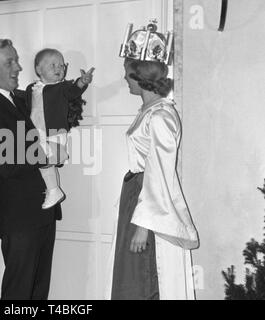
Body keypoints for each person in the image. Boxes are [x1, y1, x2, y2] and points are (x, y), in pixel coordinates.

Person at [110, 23, 199, 300]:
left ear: (140, 77)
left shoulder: (160, 116)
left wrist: (143, 226)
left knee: (143, 280)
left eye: (128, 74)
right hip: (136, 196)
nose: (125, 79)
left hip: (147, 205)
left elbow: (158, 172)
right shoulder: (149, 111)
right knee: (130, 278)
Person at [0, 39, 66, 299]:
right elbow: (7, 164)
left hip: (42, 212)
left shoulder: (20, 99)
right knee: (18, 292)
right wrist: (48, 154)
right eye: (9, 62)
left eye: (16, 60)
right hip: (20, 216)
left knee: (38, 291)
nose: (18, 66)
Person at [25, 48, 94, 209]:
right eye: (53, 65)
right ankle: (52, 189)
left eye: (62, 66)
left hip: (54, 132)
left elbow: (74, 90)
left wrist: (82, 81)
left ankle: (54, 189)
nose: (59, 69)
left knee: (43, 158)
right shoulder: (31, 88)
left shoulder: (62, 88)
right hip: (37, 132)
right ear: (38, 69)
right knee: (44, 162)